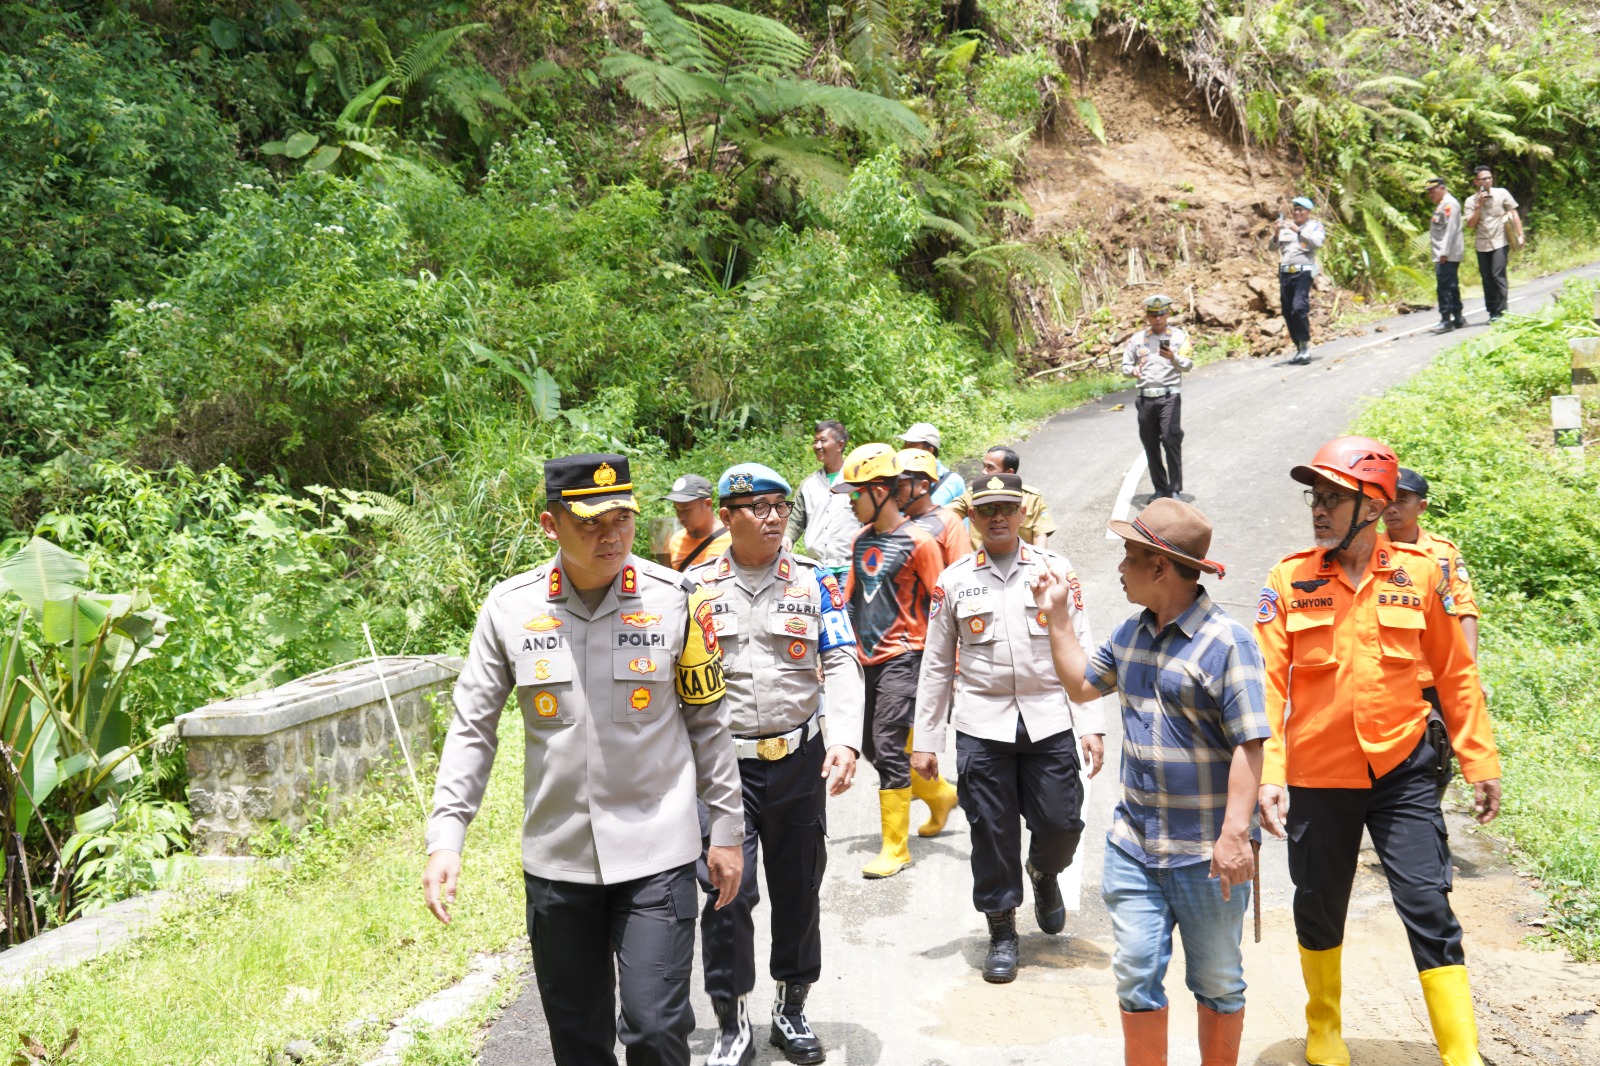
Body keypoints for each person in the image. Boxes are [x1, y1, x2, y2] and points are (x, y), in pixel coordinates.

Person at [423, 453, 743, 1066]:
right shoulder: (511, 608)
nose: (611, 534)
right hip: (559, 859)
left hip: (658, 850)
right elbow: (472, 728)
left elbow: (708, 722)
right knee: (577, 1041)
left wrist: (727, 829)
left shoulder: (677, 599)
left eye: (622, 518)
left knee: (655, 1030)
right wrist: (446, 836)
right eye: (591, 522)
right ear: (550, 525)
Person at [1255, 437, 1503, 1066]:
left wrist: (1479, 760)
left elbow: (1455, 674)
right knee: (1317, 901)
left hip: (1403, 768)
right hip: (1318, 772)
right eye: (1316, 496)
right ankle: (1325, 1030)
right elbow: (1267, 688)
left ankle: (1461, 1052)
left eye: (1334, 497)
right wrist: (1271, 775)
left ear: (1375, 504)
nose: (1319, 508)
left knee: (1426, 900)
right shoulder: (1291, 577)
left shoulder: (1421, 574)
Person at [1036, 498, 1268, 1066]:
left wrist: (1236, 835)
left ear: (1160, 567)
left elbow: (1250, 742)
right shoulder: (1131, 634)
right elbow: (1082, 686)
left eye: (1129, 556)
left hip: (1208, 854)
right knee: (1136, 973)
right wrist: (1058, 617)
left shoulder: (1226, 642)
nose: (1120, 567)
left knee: (1217, 981)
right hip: (1134, 846)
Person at [688, 463, 865, 1066]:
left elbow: (840, 661)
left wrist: (844, 739)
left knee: (798, 890)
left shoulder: (815, 581)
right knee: (726, 896)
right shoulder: (695, 589)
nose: (771, 518)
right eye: (756, 507)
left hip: (799, 760)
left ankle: (791, 1008)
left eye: (779, 506)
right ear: (727, 514)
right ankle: (732, 1020)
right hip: (723, 766)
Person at [913, 472, 1106, 984]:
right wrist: (927, 740)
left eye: (1007, 507)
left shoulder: (1055, 571)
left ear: (1023, 513)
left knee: (1062, 824)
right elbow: (935, 665)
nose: (997, 517)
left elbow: (1080, 642)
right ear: (972, 517)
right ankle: (1002, 930)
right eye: (986, 509)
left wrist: (1090, 722)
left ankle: (1044, 872)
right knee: (992, 835)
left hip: (1049, 719)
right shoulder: (954, 581)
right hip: (982, 726)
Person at [834, 443, 949, 878]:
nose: (851, 503)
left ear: (880, 491)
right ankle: (938, 795)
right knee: (867, 743)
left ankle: (895, 848)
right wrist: (834, 653)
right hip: (864, 660)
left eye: (856, 494)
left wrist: (948, 671)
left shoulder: (921, 542)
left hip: (906, 655)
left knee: (886, 741)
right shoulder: (860, 540)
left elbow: (942, 611)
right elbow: (847, 601)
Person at [1382, 467, 1482, 803]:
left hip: (1435, 675)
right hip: (1388, 674)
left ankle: (1427, 822)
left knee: (1438, 753)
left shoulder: (1443, 553)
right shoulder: (1366, 551)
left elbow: (1464, 611)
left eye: (1402, 500)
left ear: (1421, 507)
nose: (1392, 507)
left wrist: (1468, 673)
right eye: (1387, 499)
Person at [1121, 294, 1193, 500]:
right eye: (1153, 315)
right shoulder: (1137, 339)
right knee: (1150, 443)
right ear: (1147, 316)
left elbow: (1188, 364)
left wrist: (1174, 357)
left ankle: (1175, 488)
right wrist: (1132, 371)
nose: (1157, 319)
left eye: (1161, 314)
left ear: (1168, 313)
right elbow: (1125, 365)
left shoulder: (1180, 337)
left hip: (1169, 395)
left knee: (1171, 439)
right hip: (1145, 399)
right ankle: (1160, 488)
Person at [783, 420, 859, 578]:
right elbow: (796, 521)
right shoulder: (809, 484)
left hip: (849, 568)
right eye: (815, 441)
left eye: (823, 441)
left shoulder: (856, 480)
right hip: (817, 569)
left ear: (839, 445)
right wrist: (787, 537)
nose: (817, 446)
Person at [944, 446, 1058, 550]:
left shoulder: (1031, 497)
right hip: (980, 565)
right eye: (984, 466)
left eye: (990, 468)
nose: (983, 471)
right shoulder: (972, 496)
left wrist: (1038, 561)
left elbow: (1040, 534)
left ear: (1009, 473)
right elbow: (943, 515)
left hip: (1022, 563)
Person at [1463, 165, 1523, 324]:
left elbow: (1514, 212)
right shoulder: (1470, 201)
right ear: (1476, 182)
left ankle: (1503, 311)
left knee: (1498, 275)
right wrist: (1479, 205)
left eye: (1490, 178)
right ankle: (1493, 312)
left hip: (1500, 241)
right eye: (1484, 179)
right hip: (1482, 244)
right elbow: (1470, 224)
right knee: (1487, 279)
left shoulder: (1502, 193)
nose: (1488, 181)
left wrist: (1520, 235)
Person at [896, 448, 973, 566]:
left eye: (900, 486)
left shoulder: (948, 523)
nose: (894, 492)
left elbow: (962, 573)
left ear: (924, 486)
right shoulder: (896, 524)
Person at [1275, 196, 1326, 364]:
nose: (1297, 212)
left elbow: (1317, 243)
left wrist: (1298, 230)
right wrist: (1277, 232)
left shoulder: (1314, 226)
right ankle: (1299, 347)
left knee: (1298, 308)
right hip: (1285, 274)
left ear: (1308, 212)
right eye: (1295, 209)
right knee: (1287, 311)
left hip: (1303, 273)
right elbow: (1272, 247)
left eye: (1301, 210)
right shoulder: (1288, 226)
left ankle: (1304, 346)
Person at [662, 474, 732, 572]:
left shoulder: (732, 540)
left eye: (686, 510)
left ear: (707, 504)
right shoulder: (676, 541)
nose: (681, 517)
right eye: (677, 510)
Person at [1425, 178, 1467, 334]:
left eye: (1432, 191)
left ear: (1442, 188)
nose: (1430, 195)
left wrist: (1444, 253)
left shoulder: (1450, 204)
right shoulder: (1443, 204)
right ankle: (1458, 318)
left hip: (1447, 254)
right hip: (1446, 253)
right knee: (1451, 285)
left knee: (1444, 288)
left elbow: (1451, 230)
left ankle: (1446, 320)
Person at [895, 422, 965, 506]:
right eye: (905, 445)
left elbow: (962, 517)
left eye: (912, 445)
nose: (905, 450)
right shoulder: (899, 476)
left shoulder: (954, 481)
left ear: (930, 450)